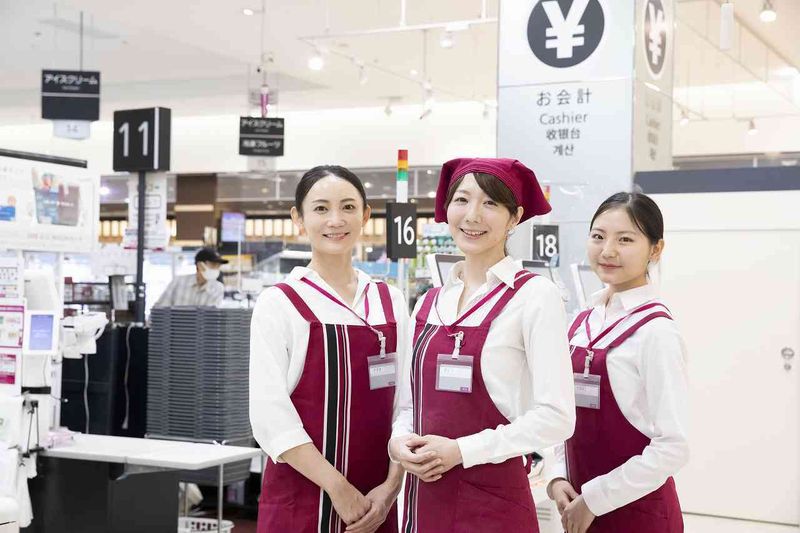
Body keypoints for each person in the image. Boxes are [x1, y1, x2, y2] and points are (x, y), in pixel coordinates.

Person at [389, 158, 576, 532]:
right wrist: (398, 441)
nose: (472, 215)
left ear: (514, 217)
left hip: (492, 504)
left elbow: (557, 417)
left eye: (490, 203)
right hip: (422, 501)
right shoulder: (428, 302)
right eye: (462, 200)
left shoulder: (535, 296)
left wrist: (461, 451)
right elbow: (409, 404)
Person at [249, 165, 407, 533]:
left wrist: (391, 488)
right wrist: (339, 489)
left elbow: (408, 403)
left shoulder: (390, 301)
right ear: (298, 219)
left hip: (377, 501)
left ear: (365, 216)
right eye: (321, 208)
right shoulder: (280, 303)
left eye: (348, 207)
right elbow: (271, 417)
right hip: (301, 499)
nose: (336, 220)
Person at [547, 192, 689, 533]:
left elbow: (673, 447)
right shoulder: (582, 322)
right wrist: (556, 476)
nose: (607, 251)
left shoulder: (657, 332)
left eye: (625, 239)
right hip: (578, 506)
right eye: (598, 236)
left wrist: (595, 499)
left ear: (656, 249)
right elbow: (560, 410)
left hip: (639, 515)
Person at [153, 247, 226, 307]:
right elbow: (160, 308)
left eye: (218, 266)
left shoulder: (218, 288)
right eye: (213, 265)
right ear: (200, 265)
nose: (216, 269)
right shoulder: (178, 282)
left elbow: (212, 315)